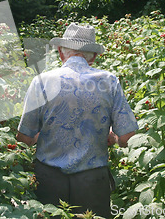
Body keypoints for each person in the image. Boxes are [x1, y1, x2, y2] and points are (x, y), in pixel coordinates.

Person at [16, 22, 138, 218]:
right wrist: (113, 138)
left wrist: (41, 136)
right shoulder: (109, 81)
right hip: (92, 182)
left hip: (48, 180)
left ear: (61, 52)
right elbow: (127, 137)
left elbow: (23, 136)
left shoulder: (42, 81)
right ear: (94, 56)